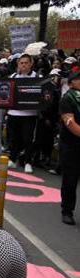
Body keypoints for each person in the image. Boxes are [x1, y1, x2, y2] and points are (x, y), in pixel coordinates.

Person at [6, 54, 38, 173]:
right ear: (18, 64)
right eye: (21, 63)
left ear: (31, 63)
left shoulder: (37, 77)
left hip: (29, 114)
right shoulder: (13, 76)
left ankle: (28, 162)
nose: (23, 65)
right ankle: (13, 159)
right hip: (13, 113)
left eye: (26, 63)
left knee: (27, 139)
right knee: (13, 138)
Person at [59, 69, 80, 225]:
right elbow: (70, 122)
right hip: (71, 145)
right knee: (70, 181)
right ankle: (67, 211)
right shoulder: (68, 99)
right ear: (72, 82)